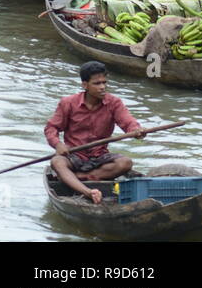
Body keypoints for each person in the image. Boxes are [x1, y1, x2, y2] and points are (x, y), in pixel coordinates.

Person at [46, 61, 145, 203]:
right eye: (97, 83)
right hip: (75, 155)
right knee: (57, 162)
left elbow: (128, 121)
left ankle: (80, 178)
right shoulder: (68, 103)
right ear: (85, 85)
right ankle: (87, 191)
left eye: (104, 82)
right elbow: (51, 128)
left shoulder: (113, 103)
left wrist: (136, 130)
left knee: (125, 163)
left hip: (100, 156)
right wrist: (58, 145)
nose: (102, 87)